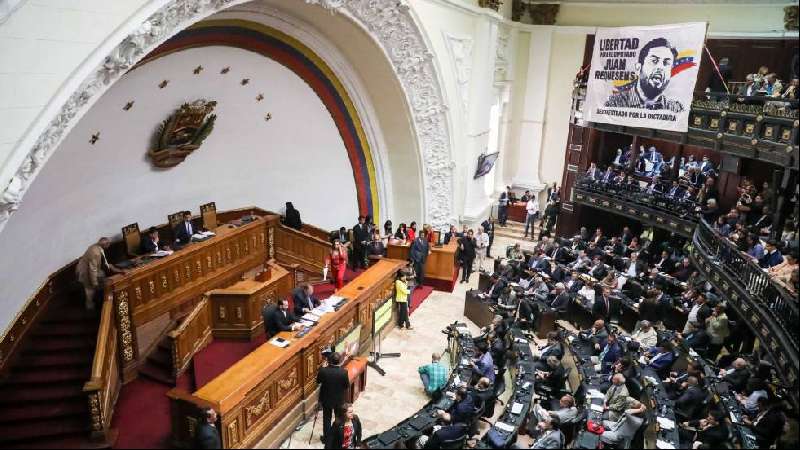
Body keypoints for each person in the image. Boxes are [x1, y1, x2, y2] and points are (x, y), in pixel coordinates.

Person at [605, 38, 683, 112]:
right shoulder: (614, 104)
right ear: (638, 68)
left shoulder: (675, 109)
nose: (660, 67)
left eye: (666, 63)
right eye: (654, 61)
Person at [76, 237, 125, 310]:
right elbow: (93, 269)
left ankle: (96, 301)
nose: (109, 246)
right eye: (109, 244)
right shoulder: (95, 252)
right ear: (105, 244)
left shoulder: (98, 247)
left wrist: (114, 269)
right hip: (85, 271)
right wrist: (95, 283)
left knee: (100, 278)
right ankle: (90, 307)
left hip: (91, 269)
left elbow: (104, 262)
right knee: (90, 289)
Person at [317, 352, 351, 445]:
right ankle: (337, 437)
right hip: (339, 400)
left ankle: (327, 439)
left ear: (328, 361)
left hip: (326, 399)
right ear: (339, 361)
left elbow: (318, 381)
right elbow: (346, 386)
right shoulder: (344, 372)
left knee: (326, 419)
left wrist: (322, 368)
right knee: (339, 418)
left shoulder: (323, 371)